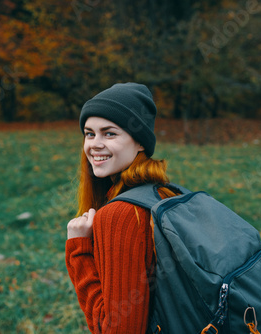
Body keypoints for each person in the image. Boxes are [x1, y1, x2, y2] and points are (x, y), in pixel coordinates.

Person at [65, 82, 177, 333]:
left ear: (140, 143)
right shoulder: (161, 192)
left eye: (110, 133)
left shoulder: (121, 215)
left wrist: (78, 250)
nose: (94, 144)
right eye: (89, 133)